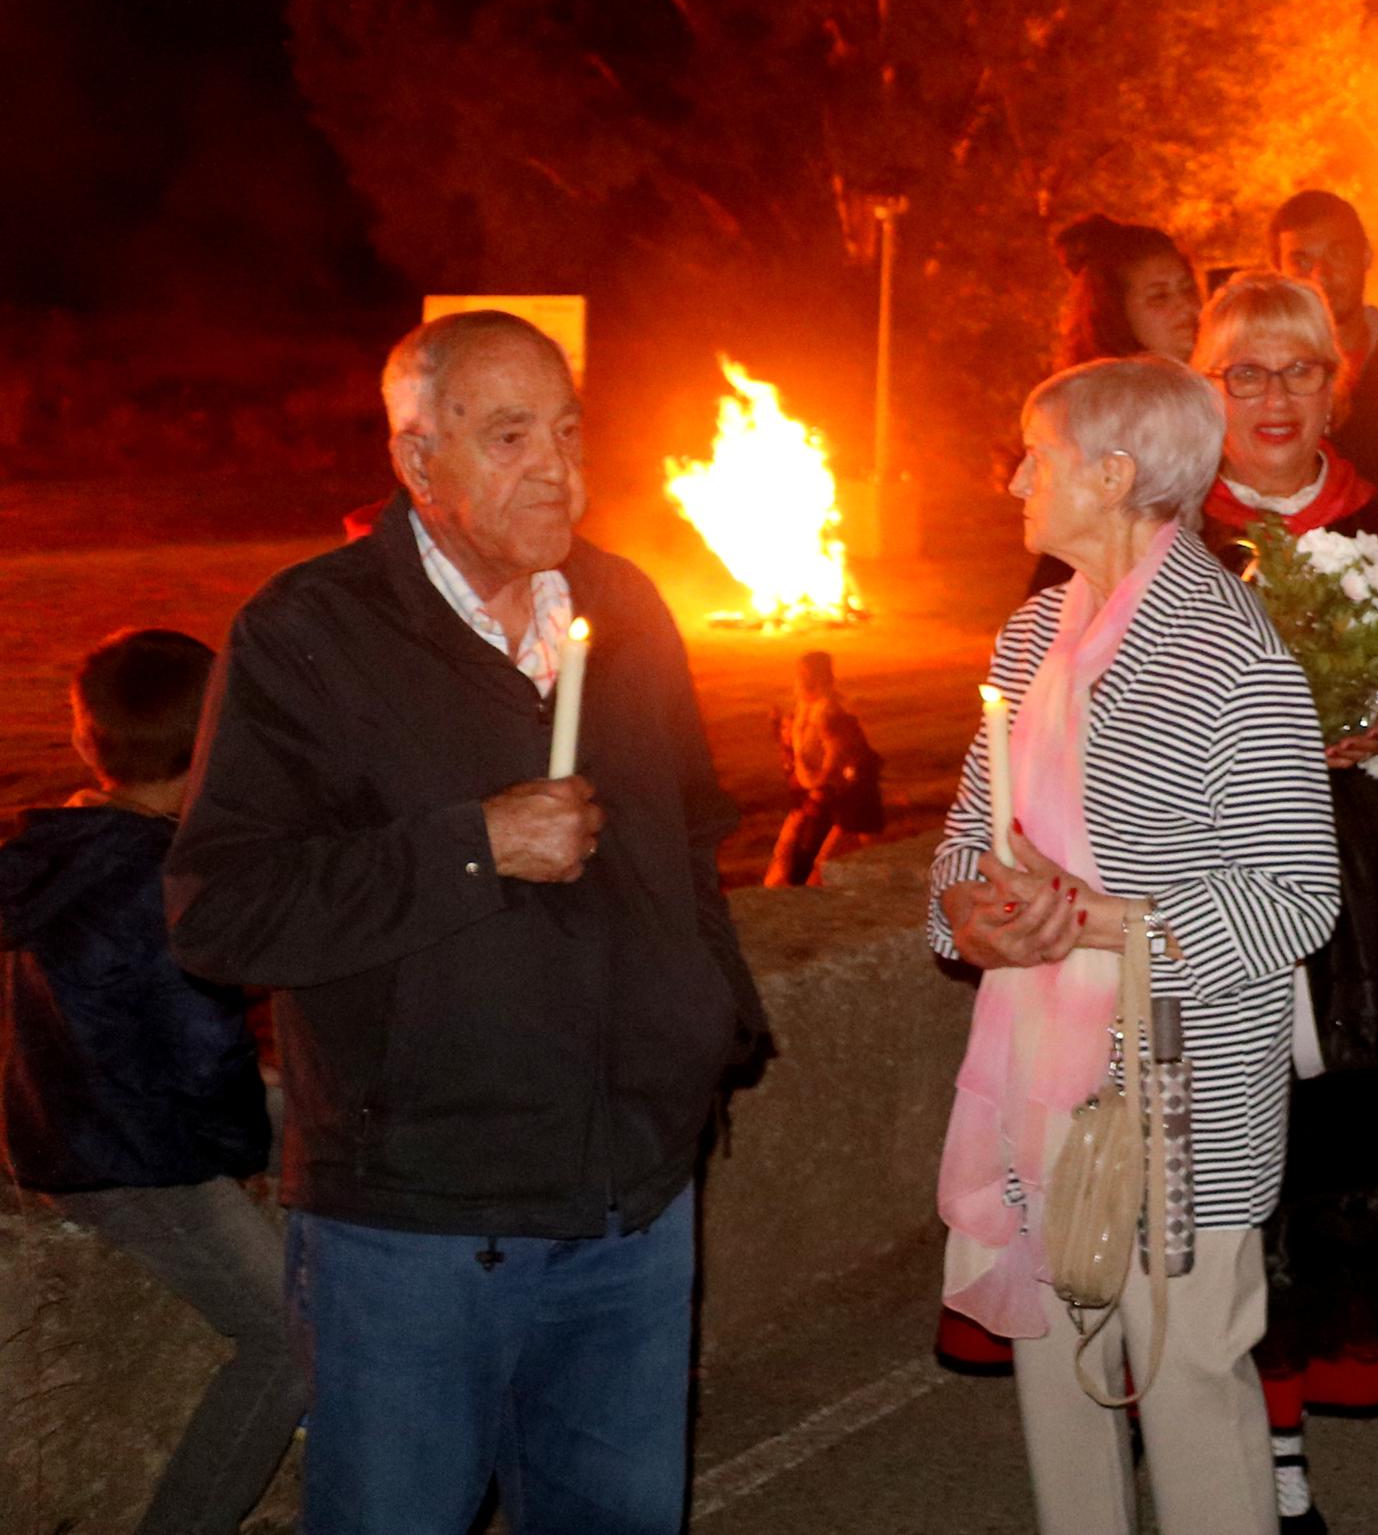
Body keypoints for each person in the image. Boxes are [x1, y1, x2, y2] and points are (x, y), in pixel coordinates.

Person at [169, 312, 768, 1535]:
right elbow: (220, 910)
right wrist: (472, 845)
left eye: (566, 427)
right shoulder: (309, 635)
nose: (557, 464)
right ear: (417, 459)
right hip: (418, 1223)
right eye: (509, 435)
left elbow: (691, 843)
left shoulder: (627, 607)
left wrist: (711, 1030)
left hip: (630, 1200)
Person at [934, 353, 1342, 1535]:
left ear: (1113, 476)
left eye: (1039, 456)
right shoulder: (1029, 639)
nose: (1015, 476)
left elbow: (1293, 894)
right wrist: (966, 911)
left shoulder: (1229, 653)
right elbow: (970, 833)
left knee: (1187, 1395)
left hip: (1183, 1094)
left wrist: (1104, 922)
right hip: (1036, 1074)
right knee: (1060, 1389)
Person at [1185, 274, 1378, 1514]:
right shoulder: (1158, 533)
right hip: (1215, 894)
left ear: (1335, 383)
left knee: (1341, 1150)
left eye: (1296, 370)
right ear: (1206, 389)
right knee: (1226, 1159)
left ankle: (1303, 1397)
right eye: (1243, 374)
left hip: (1375, 894)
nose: (1271, 398)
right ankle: (1256, 1428)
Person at [4, 629, 305, 1535]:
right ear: (215, 743)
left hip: (62, 1121)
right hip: (137, 1161)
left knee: (332, 1113)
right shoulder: (164, 878)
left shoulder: (58, 846)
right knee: (292, 1342)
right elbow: (202, 1053)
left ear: (88, 739)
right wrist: (242, 1157)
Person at [1271, 188, 1378, 446]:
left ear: (1366, 256)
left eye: (1337, 254)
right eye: (1301, 262)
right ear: (1278, 272)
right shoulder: (1257, 383)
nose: (1320, 275)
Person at [762, 647, 886, 886]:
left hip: (840, 802)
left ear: (817, 676)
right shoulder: (804, 708)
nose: (798, 679)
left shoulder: (830, 711)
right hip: (814, 797)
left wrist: (821, 790)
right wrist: (781, 730)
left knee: (823, 863)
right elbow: (800, 750)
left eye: (803, 673)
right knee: (789, 854)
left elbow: (837, 754)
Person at [1058, 213, 1203, 366]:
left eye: (1188, 289)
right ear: (1116, 312)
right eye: (1160, 296)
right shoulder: (1107, 388)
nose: (1186, 305)